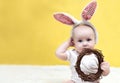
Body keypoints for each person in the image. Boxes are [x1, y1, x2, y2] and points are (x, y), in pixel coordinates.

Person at [53, 1, 110, 83]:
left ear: (95, 41)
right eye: (80, 41)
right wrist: (67, 43)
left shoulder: (96, 56)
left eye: (88, 40)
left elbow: (104, 74)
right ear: (74, 42)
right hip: (76, 81)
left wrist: (106, 69)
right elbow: (58, 53)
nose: (85, 43)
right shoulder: (72, 54)